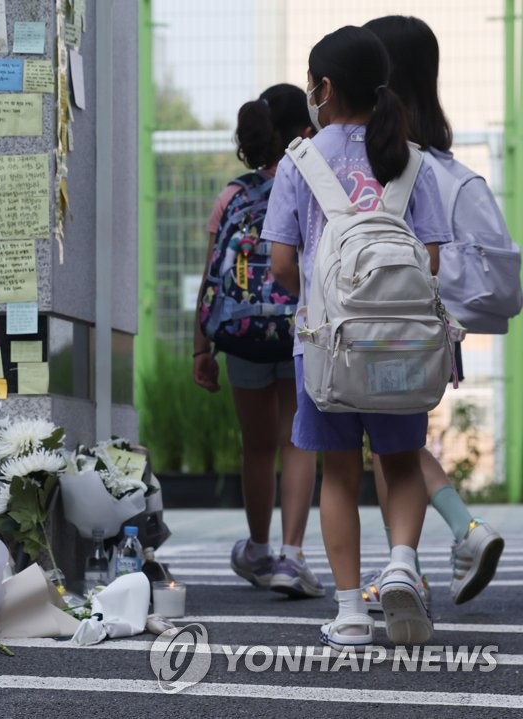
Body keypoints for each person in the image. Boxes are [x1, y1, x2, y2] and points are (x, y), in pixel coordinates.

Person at [264, 26, 451, 649]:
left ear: (323, 88)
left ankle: (348, 613)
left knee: (338, 473)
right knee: (399, 465)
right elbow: (428, 262)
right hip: (399, 344)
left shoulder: (300, 160)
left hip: (325, 346)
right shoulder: (413, 159)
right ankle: (401, 563)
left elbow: (283, 264)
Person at [362, 13, 504, 608]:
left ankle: (432, 551)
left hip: (374, 328)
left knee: (386, 444)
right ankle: (419, 560)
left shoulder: (378, 169)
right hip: (433, 338)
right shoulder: (453, 175)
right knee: (397, 442)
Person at [193, 84, 323, 599]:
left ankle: (257, 547)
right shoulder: (311, 187)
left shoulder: (232, 195)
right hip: (300, 327)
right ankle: (292, 557)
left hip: (242, 334)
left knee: (256, 446)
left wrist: (202, 348)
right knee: (297, 440)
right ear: (302, 129)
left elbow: (210, 277)